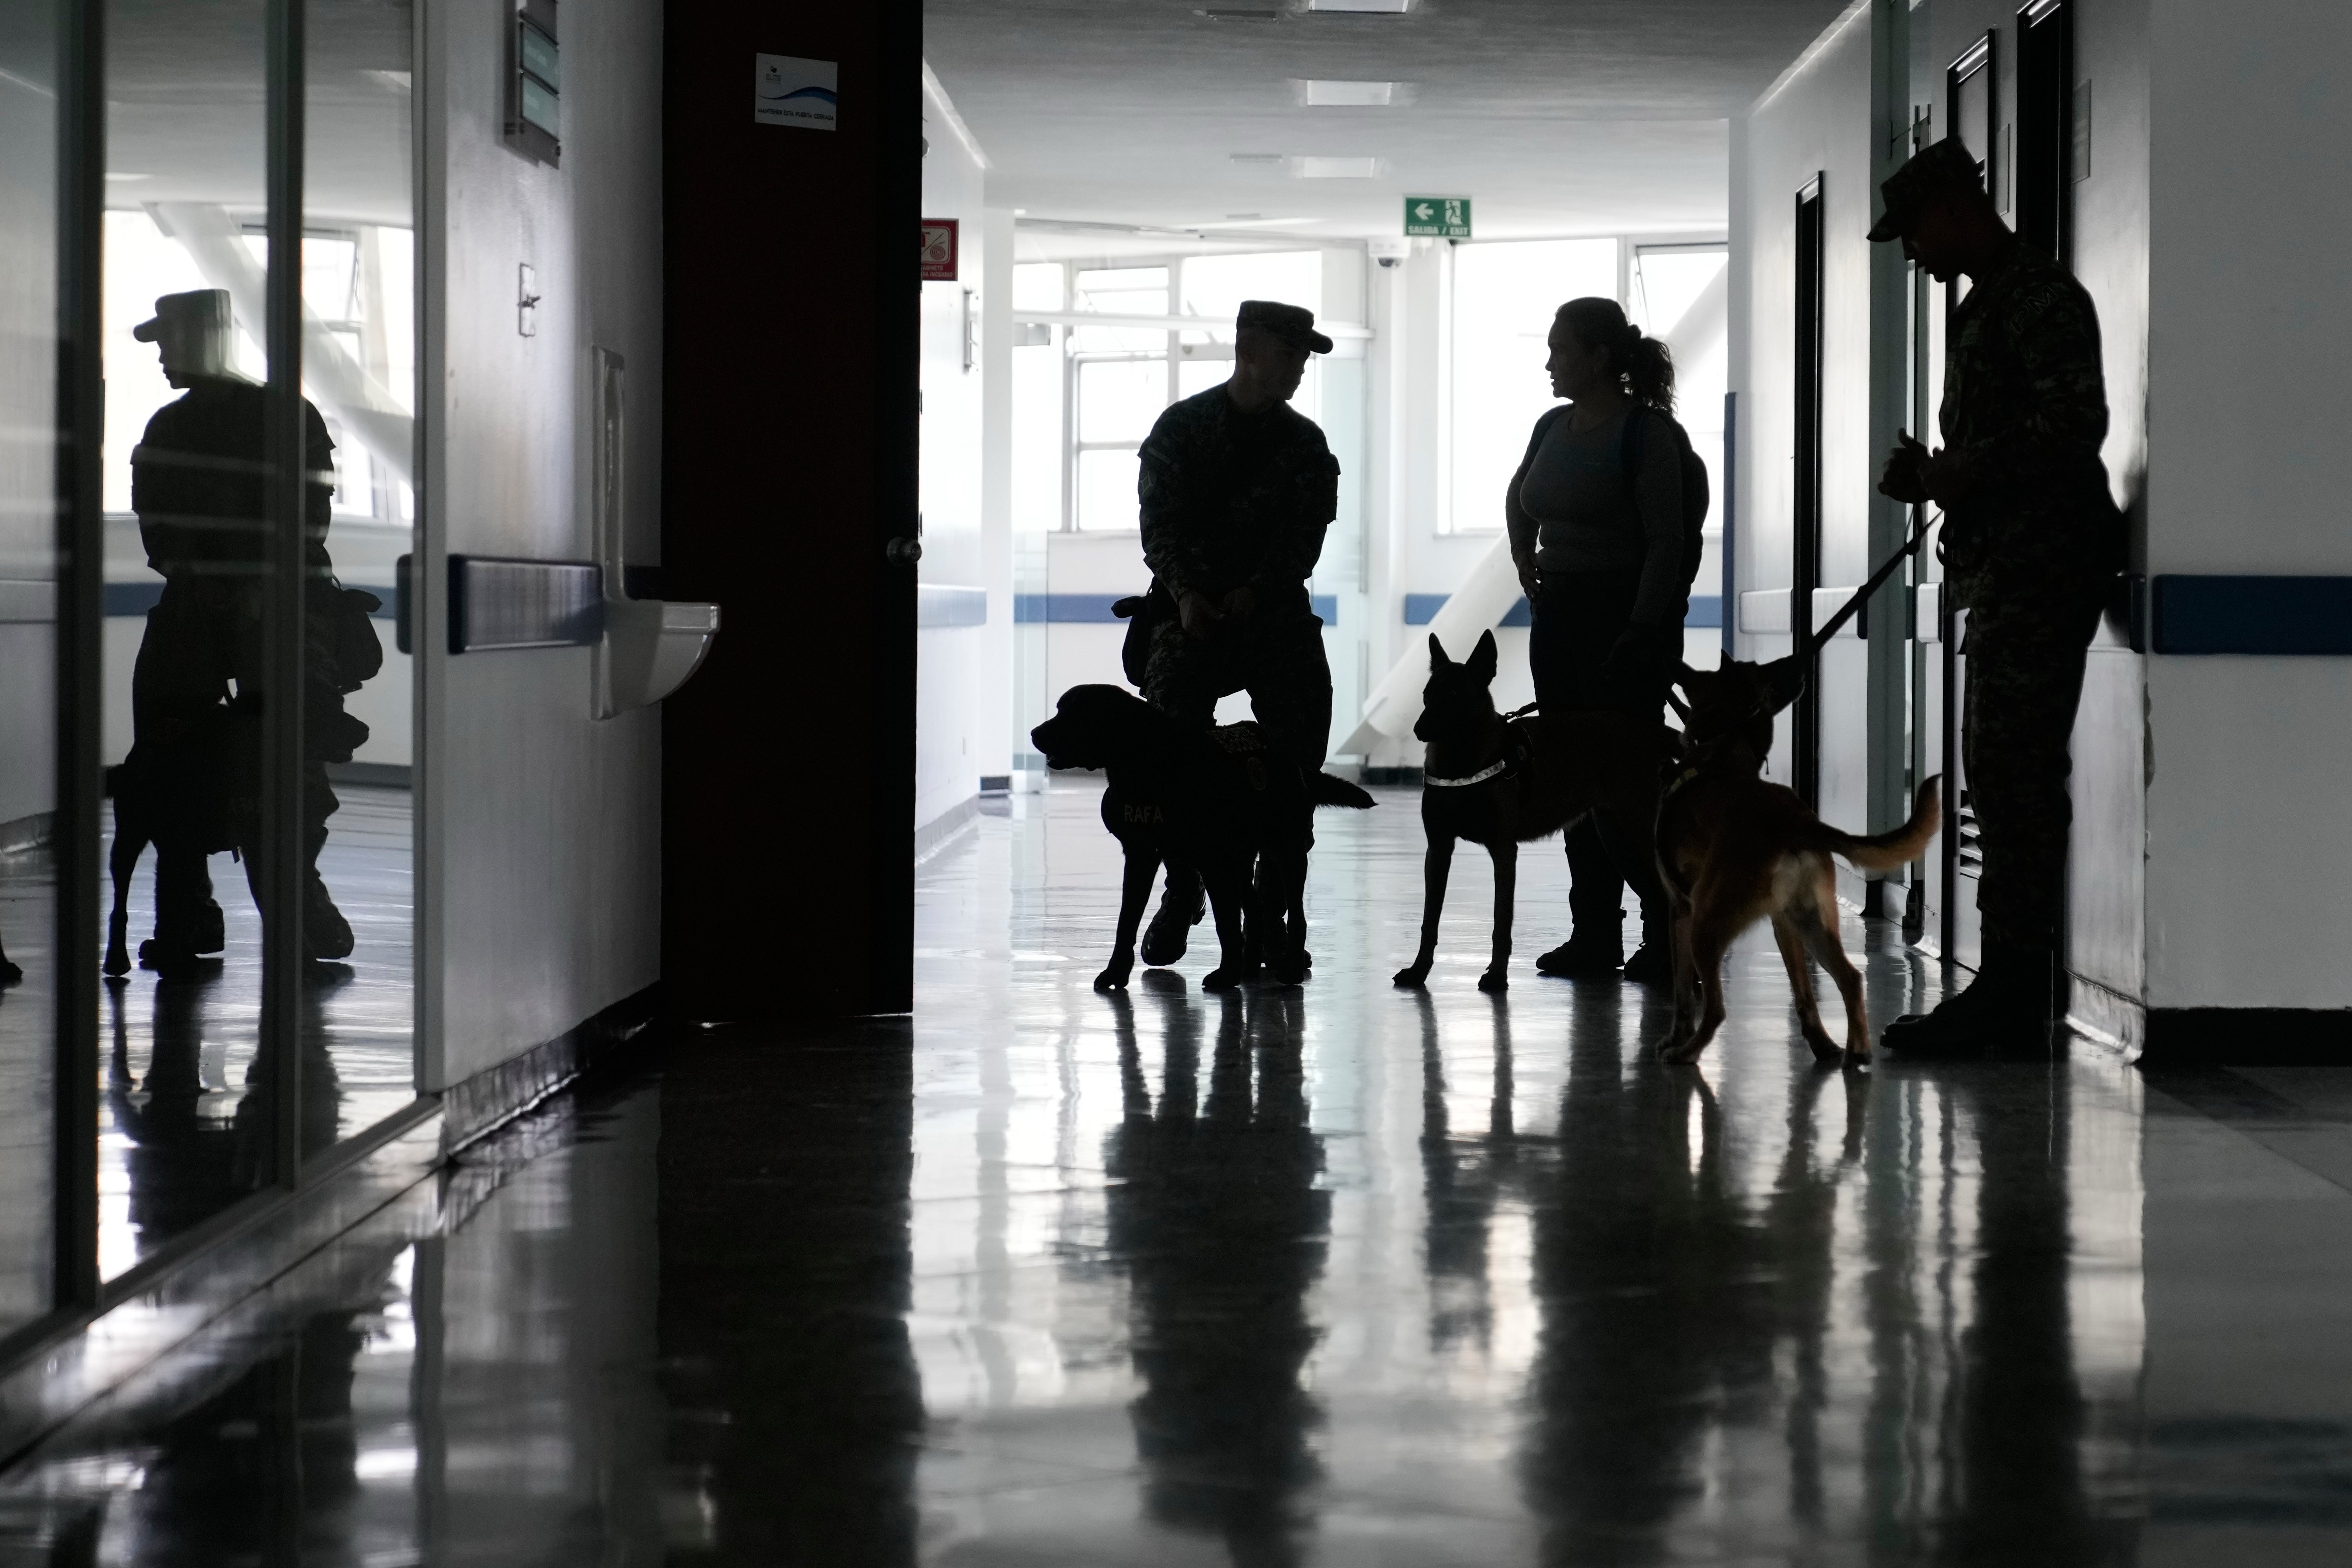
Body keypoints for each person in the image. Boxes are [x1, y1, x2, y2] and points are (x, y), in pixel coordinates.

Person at [1868, 140, 2124, 1052]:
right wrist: (1938, 479)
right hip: (2006, 567)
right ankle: (2010, 985)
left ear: (1952, 208)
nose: (1912, 255)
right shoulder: (1983, 308)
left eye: (1913, 234)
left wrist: (1954, 473)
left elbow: (2072, 424)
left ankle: (2016, 994)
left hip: (2044, 564)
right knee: (2000, 775)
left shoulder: (2041, 299)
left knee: (2013, 779)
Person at [127, 288, 367, 976]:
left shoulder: (178, 426)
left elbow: (168, 531)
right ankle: (274, 904)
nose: (165, 356)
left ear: (206, 338)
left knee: (237, 751)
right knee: (246, 754)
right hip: (251, 603)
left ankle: (211, 911)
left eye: (171, 340)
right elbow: (305, 518)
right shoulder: (280, 414)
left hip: (242, 604)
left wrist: (225, 586)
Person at [1132, 299, 1341, 966]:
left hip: (1270, 613)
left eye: (1304, 358)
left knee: (1298, 751)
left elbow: (1302, 538)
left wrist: (1259, 591)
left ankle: (1267, 912)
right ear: (1247, 351)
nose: (1299, 369)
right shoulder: (1182, 429)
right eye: (1289, 355)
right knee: (1166, 745)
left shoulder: (1305, 445)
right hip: (1187, 611)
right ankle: (1183, 886)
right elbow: (1158, 527)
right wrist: (1188, 595)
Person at [1506, 296, 1689, 983]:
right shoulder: (1553, 425)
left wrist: (1641, 631)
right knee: (1567, 781)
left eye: (1560, 348)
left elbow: (1666, 543)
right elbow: (1519, 494)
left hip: (1620, 626)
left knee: (1631, 790)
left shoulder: (1646, 435)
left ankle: (1668, 938)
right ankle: (1593, 934)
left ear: (1600, 358)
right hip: (1557, 617)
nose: (1549, 360)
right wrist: (1526, 555)